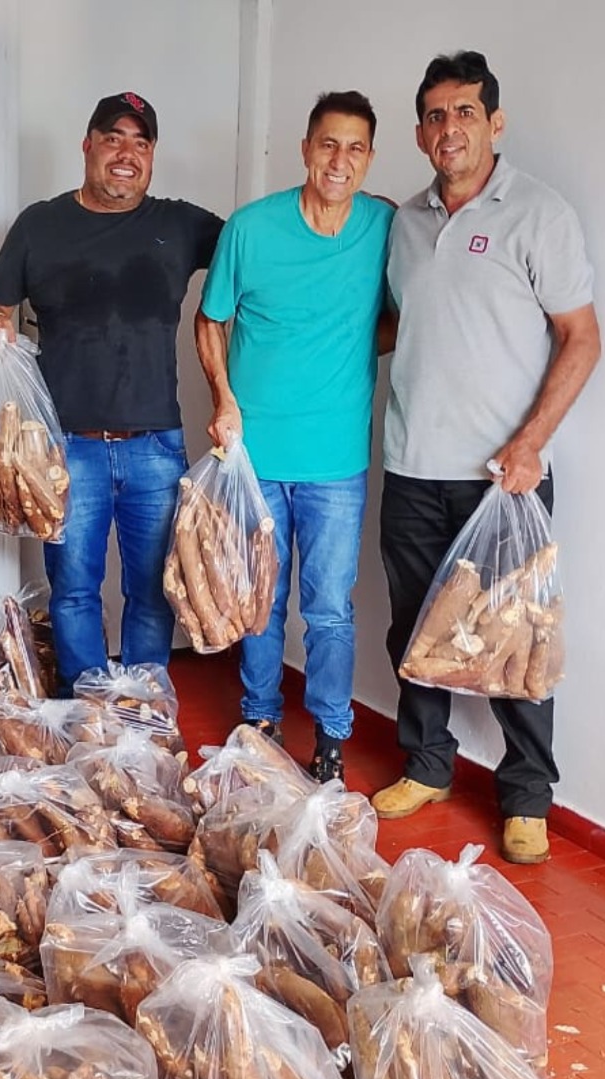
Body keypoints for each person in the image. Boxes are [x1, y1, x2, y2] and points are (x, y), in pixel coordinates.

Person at [371, 51, 600, 864]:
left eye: (464, 112)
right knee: (417, 629)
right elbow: (399, 326)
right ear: (420, 131)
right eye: (435, 115)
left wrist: (531, 442)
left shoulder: (539, 214)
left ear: (494, 123)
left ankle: (528, 792)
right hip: (413, 465)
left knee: (518, 636)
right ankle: (428, 764)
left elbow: (582, 336)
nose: (449, 128)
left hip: (506, 480)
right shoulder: (403, 222)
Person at [0, 91, 223, 692]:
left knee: (152, 587)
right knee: (74, 587)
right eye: (113, 138)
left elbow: (261, 245)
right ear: (88, 145)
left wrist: (347, 207)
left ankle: (142, 706)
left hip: (155, 446)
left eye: (140, 142)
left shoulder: (180, 225)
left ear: (152, 155)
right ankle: (87, 713)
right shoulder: (40, 224)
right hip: (66, 446)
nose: (126, 154)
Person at [193, 92, 393, 784]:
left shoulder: (384, 228)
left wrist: (347, 350)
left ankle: (332, 736)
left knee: (330, 608)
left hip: (337, 462)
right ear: (305, 149)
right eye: (328, 145)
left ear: (370, 159)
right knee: (259, 598)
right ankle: (261, 717)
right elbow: (210, 320)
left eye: (356, 148)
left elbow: (396, 319)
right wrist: (223, 396)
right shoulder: (251, 229)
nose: (340, 161)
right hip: (254, 459)